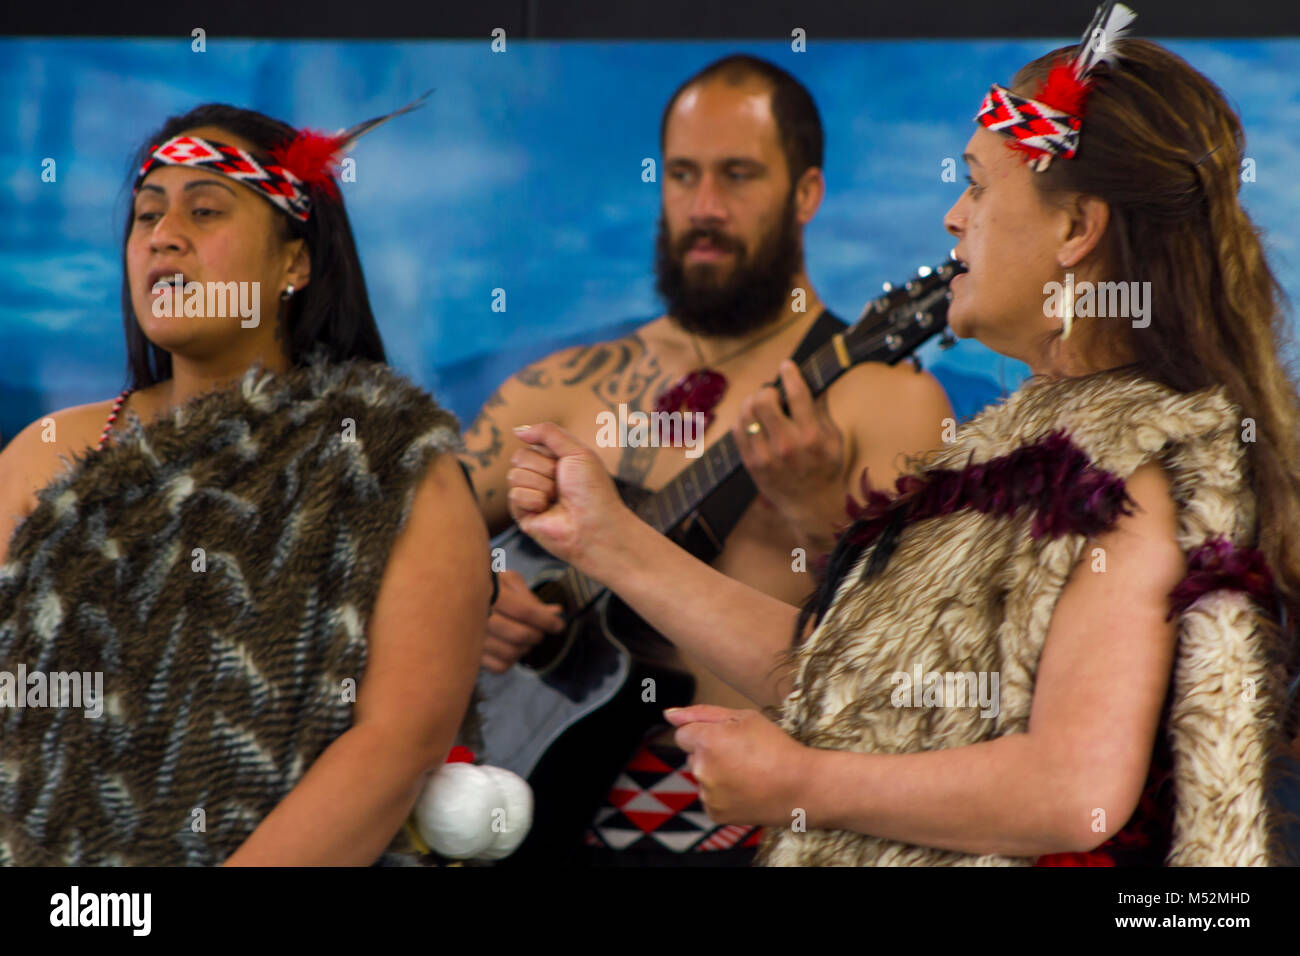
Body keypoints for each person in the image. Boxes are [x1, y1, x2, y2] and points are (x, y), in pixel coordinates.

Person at [504, 10, 1300, 866]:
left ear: (1076, 231)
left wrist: (796, 784)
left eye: (980, 187)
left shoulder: (1128, 468)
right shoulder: (1022, 445)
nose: (955, 217)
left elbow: (1075, 790)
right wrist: (607, 540)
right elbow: (847, 669)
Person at [463, 54, 954, 863]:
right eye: (683, 174)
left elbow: (918, 669)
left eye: (738, 176)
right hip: (530, 808)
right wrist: (473, 591)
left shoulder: (886, 401)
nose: (705, 206)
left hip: (755, 831)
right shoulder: (560, 388)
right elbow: (392, 537)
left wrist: (817, 516)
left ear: (807, 194)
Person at [0, 102, 492, 866]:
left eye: (204, 210)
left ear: (294, 262)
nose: (164, 235)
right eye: (145, 216)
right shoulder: (46, 453)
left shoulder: (388, 458)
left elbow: (401, 740)